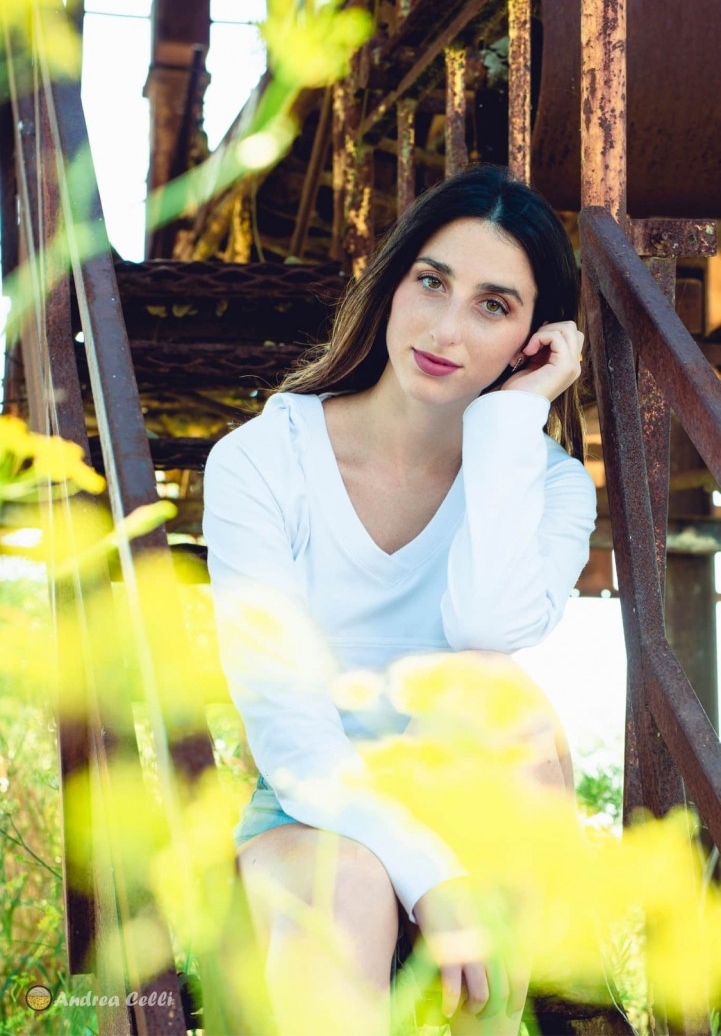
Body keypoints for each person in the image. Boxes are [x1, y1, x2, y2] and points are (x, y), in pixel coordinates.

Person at [202, 163, 597, 1035]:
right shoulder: (263, 462)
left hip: (480, 788)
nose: (445, 329)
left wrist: (509, 421)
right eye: (431, 282)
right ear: (392, 284)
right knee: (341, 890)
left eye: (492, 306)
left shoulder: (552, 488)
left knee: (491, 690)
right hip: (310, 803)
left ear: (532, 340)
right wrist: (429, 876)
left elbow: (487, 626)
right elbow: (292, 738)